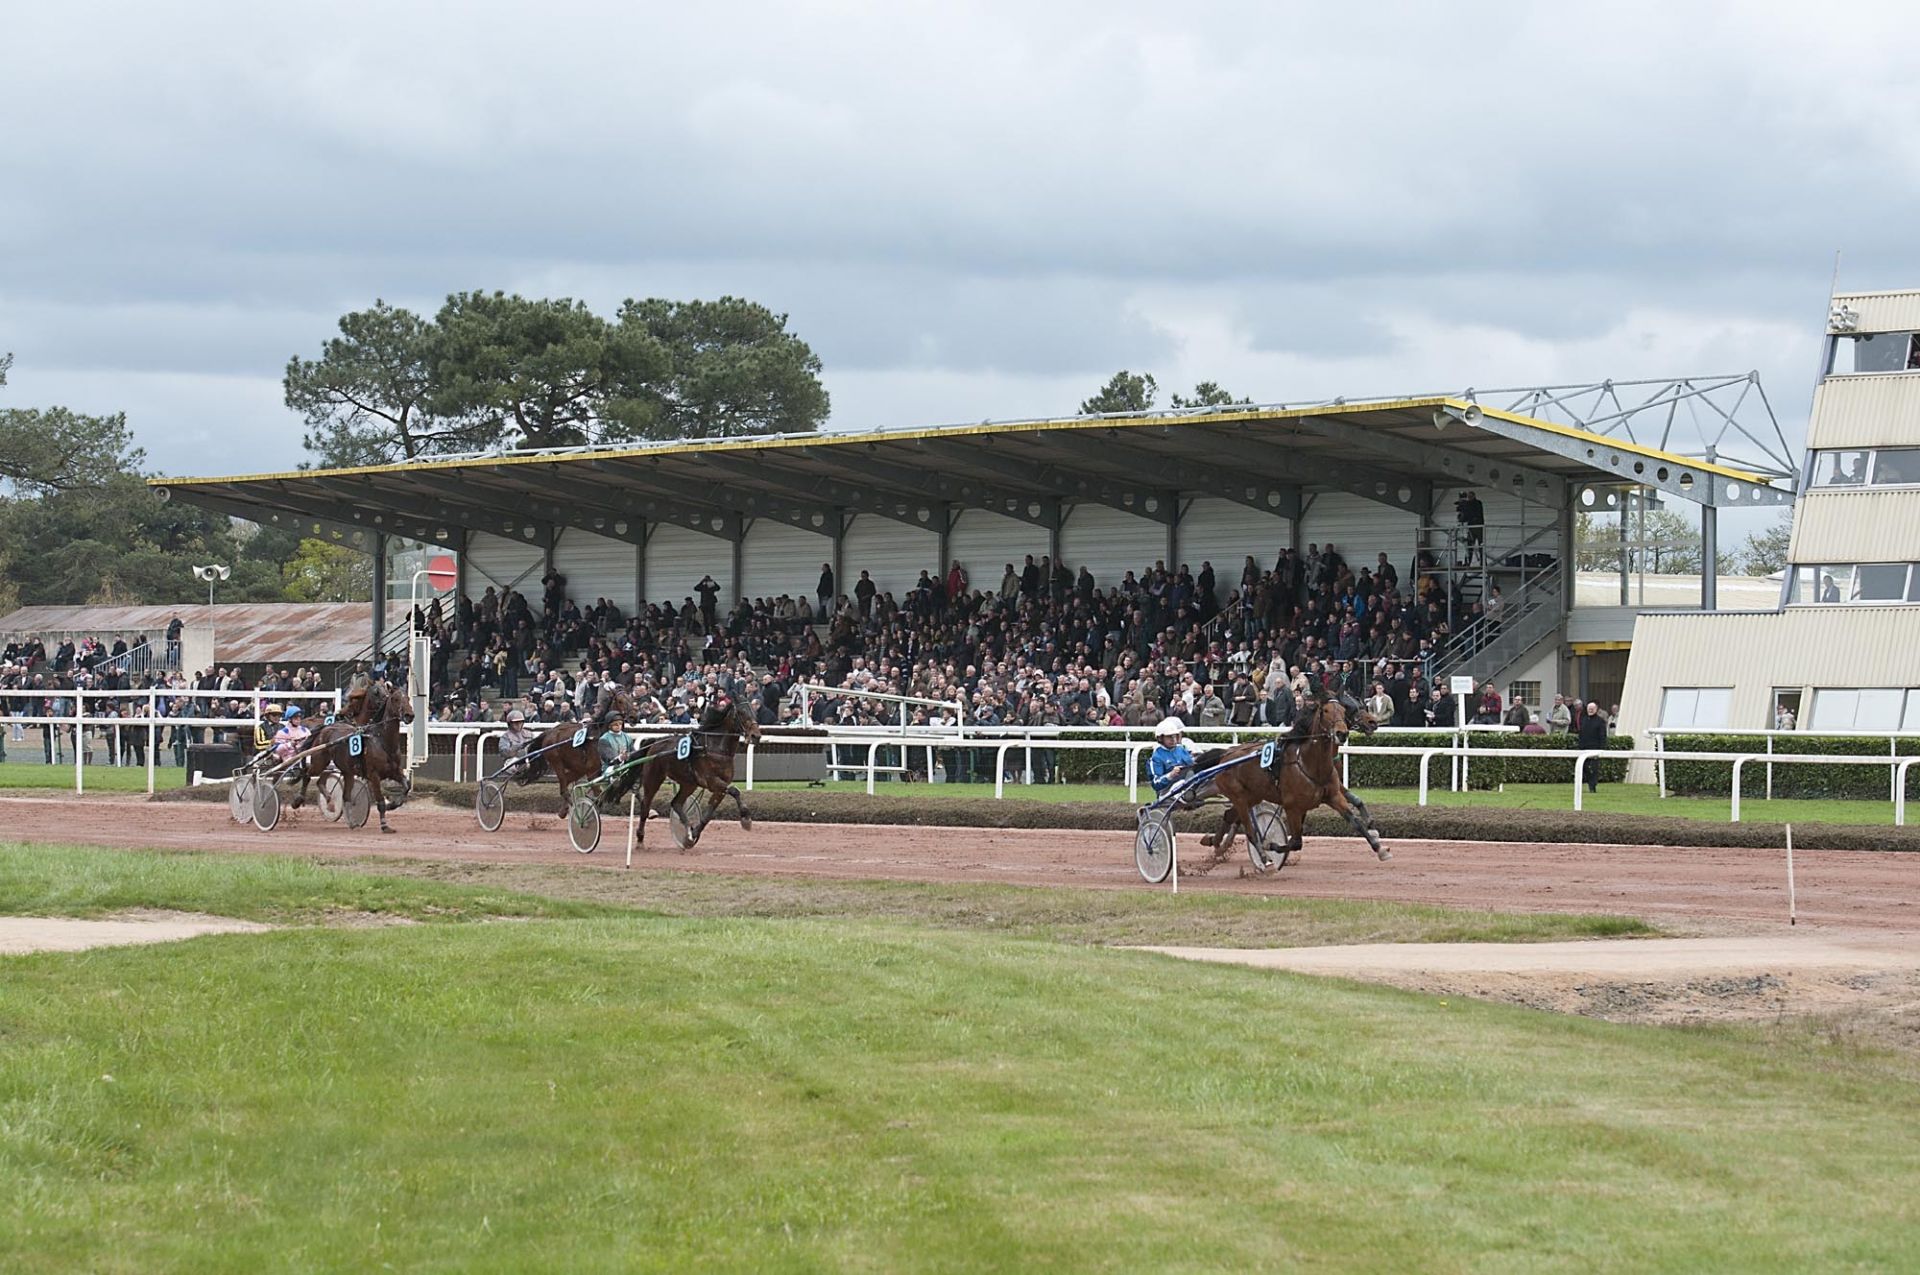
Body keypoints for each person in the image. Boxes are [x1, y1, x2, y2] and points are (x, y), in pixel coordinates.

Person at [1148, 717, 1197, 802]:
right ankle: (1187, 793)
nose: (1173, 740)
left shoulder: (1181, 749)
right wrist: (1170, 775)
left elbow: (1192, 764)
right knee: (1182, 781)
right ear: (1160, 738)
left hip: (1186, 781)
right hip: (1166, 791)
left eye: (1174, 736)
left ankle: (1189, 792)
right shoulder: (1156, 757)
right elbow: (1156, 784)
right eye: (1169, 737)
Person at [1577, 700, 1608, 792]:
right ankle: (1590, 783)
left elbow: (1602, 736)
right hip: (1584, 748)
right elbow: (1581, 733)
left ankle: (1592, 786)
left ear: (1596, 709)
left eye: (1592, 709)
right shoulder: (1584, 719)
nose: (1590, 710)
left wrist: (1602, 748)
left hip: (1595, 748)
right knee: (1585, 767)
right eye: (1589, 709)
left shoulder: (1600, 721)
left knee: (1594, 769)